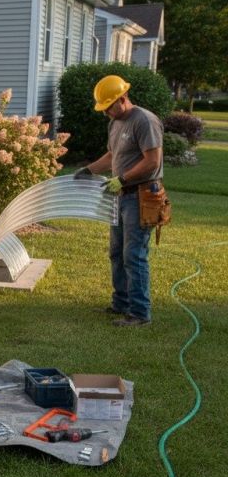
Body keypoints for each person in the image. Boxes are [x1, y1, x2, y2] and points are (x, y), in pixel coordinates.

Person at [74, 75, 164, 327]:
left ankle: (139, 313)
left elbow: (152, 162)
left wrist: (122, 179)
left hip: (141, 195)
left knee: (133, 255)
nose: (106, 114)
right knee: (116, 252)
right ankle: (121, 303)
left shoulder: (144, 121)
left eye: (109, 108)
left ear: (123, 99)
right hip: (120, 196)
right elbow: (113, 154)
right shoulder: (115, 122)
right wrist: (89, 170)